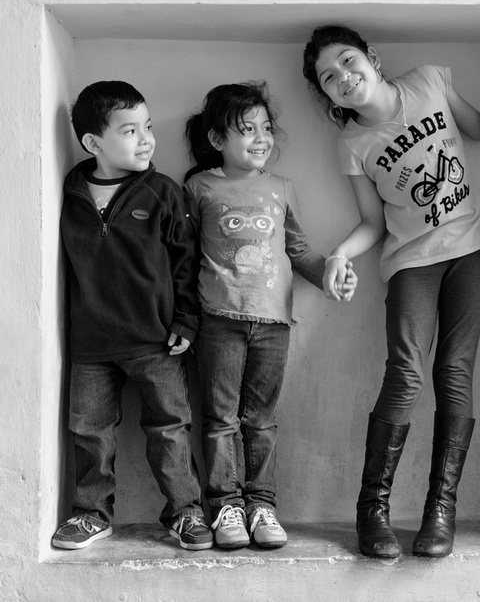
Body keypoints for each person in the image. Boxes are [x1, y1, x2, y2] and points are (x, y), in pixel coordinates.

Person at [303, 25, 480, 559]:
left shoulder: (430, 81)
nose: (343, 77)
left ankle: (441, 509)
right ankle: (373, 509)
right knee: (407, 371)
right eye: (329, 77)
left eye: (348, 62)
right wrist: (341, 253)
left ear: (372, 57)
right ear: (326, 94)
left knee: (454, 370)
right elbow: (372, 221)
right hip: (411, 263)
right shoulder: (352, 143)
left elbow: (479, 125)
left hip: (472, 252)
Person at [183, 81, 357, 550]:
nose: (260, 138)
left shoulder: (281, 188)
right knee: (220, 418)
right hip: (218, 318)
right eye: (246, 130)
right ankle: (224, 507)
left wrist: (330, 276)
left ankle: (262, 505)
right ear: (217, 139)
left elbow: (298, 250)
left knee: (261, 420)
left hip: (273, 324)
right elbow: (183, 256)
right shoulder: (200, 186)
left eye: (265, 128)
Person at [53, 81, 212, 551]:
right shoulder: (71, 193)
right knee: (89, 433)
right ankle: (89, 513)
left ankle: (185, 512)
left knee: (169, 429)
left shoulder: (162, 192)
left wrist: (186, 321)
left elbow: (187, 262)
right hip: (91, 344)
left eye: (146, 127)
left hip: (157, 340)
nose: (146, 139)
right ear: (92, 144)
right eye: (129, 130)